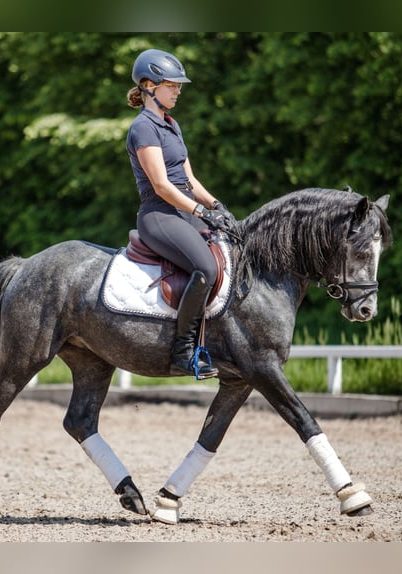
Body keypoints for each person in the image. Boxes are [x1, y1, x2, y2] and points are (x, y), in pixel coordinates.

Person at [125, 48, 236, 380]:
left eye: (178, 86)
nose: (178, 91)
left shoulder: (171, 125)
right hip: (160, 216)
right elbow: (161, 185)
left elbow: (188, 180)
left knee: (230, 254)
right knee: (205, 266)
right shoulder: (143, 128)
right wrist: (201, 210)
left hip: (185, 211)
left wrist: (218, 207)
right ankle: (182, 351)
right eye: (172, 85)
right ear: (149, 85)